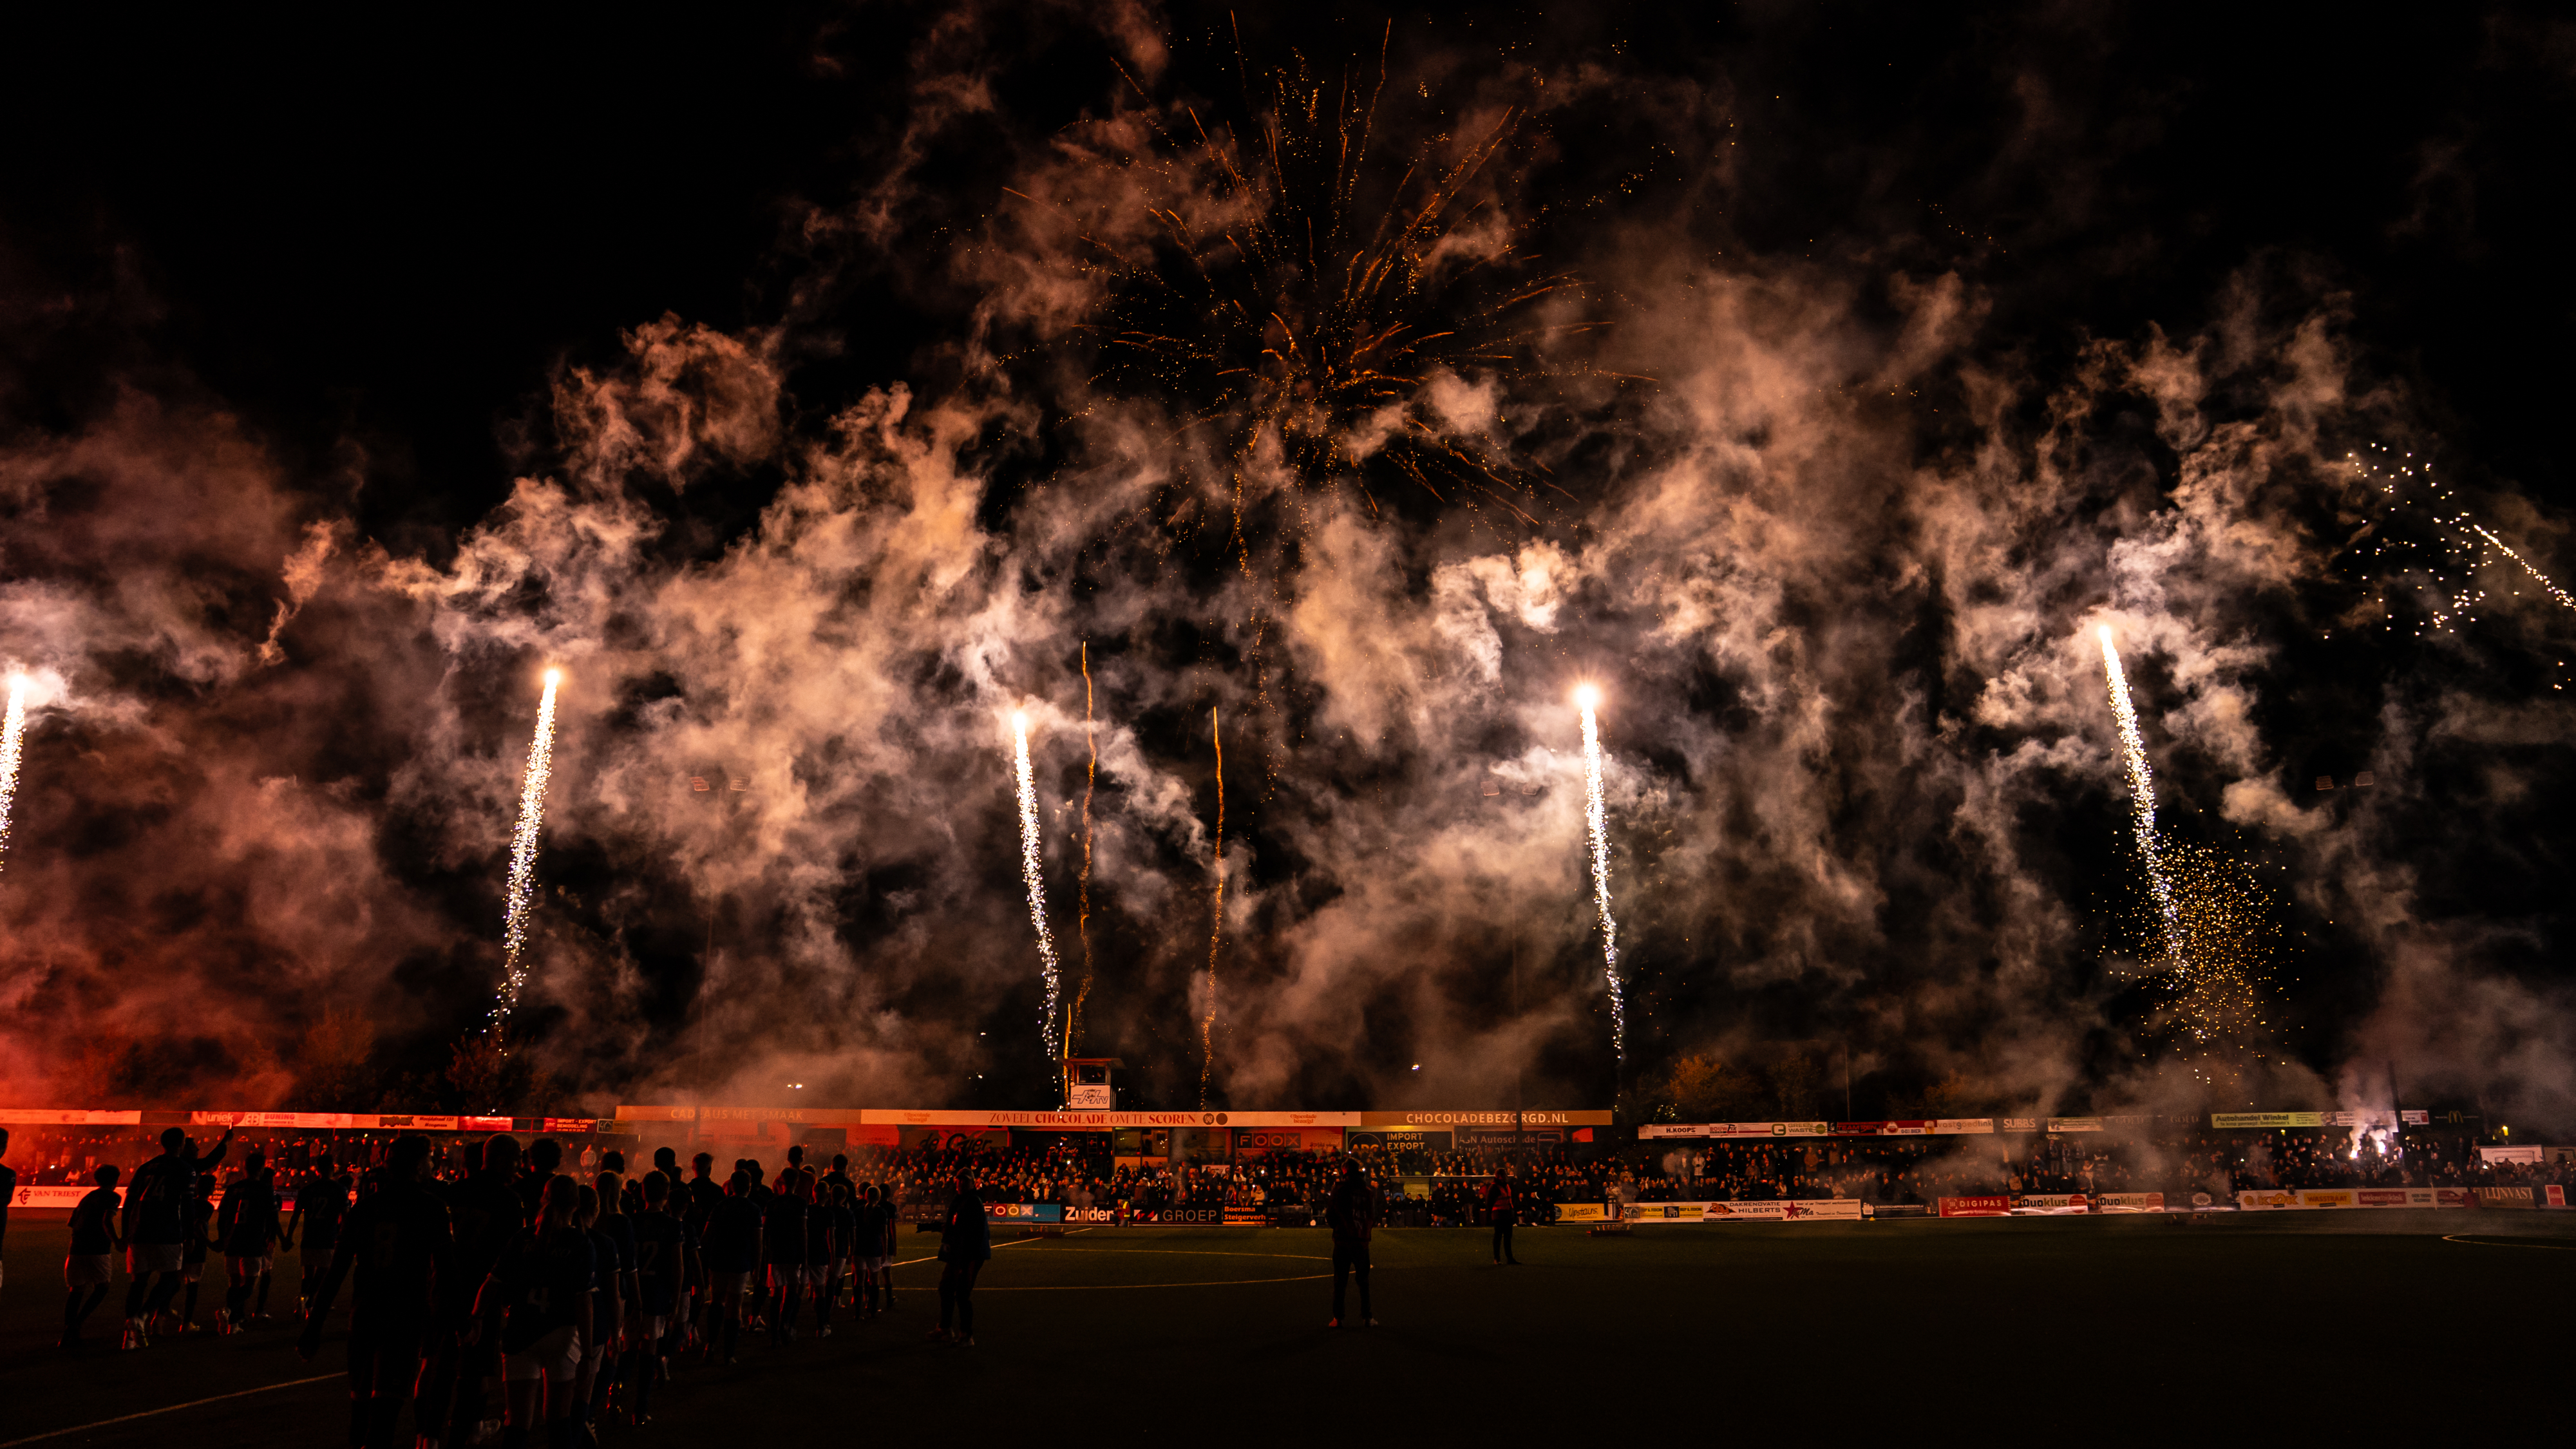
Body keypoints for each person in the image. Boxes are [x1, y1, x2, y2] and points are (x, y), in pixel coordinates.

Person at [298, 1133, 455, 1449]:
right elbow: (446, 1271)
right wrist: (452, 1319)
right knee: (383, 1418)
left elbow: (337, 1270)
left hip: (364, 1316)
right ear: (417, 1165)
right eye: (428, 1158)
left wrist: (314, 1326)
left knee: (360, 1415)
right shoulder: (432, 1207)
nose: (432, 1163)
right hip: (403, 1317)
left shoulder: (366, 1207)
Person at [419, 1133, 527, 1449]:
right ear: (503, 1160)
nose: (520, 1166)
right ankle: (455, 1440)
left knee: (442, 1368)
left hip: (443, 1289)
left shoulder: (453, 1192)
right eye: (517, 1159)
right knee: (470, 1374)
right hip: (482, 1294)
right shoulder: (507, 1200)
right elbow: (512, 1256)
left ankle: (430, 1438)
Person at [478, 1174, 592, 1449]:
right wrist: (588, 1352)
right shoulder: (579, 1242)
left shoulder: (523, 1237)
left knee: (517, 1423)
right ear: (576, 1204)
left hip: (520, 1331)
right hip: (561, 1332)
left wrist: (476, 1317)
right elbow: (583, 1301)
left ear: (544, 1199)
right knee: (557, 1419)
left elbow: (492, 1283)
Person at [119, 1124, 236, 1347]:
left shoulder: (146, 1167)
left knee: (138, 1283)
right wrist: (190, 1235)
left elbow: (130, 1202)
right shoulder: (185, 1169)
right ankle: (142, 1316)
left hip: (139, 1231)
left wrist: (126, 1232)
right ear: (181, 1145)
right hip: (167, 1231)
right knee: (171, 1279)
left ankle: (129, 1338)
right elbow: (187, 1204)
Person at [627, 1171, 697, 1426]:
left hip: (632, 1294)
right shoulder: (672, 1225)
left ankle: (614, 1394)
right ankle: (640, 1409)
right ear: (667, 1196)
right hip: (656, 1295)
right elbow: (678, 1267)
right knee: (649, 1349)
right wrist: (676, 1300)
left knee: (627, 1348)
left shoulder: (630, 1222)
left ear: (642, 1192)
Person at [218, 1149, 283, 1331]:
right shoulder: (265, 1189)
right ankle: (228, 1311)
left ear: (244, 1168)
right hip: (252, 1241)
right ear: (261, 1169)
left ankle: (234, 1323)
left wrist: (222, 1237)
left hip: (232, 1241)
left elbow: (222, 1216)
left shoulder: (232, 1188)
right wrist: (273, 1237)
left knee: (234, 1283)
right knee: (249, 1285)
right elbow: (273, 1217)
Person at [701, 1171, 762, 1365]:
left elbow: (707, 1236)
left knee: (716, 1301)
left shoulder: (721, 1206)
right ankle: (729, 1354)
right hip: (740, 1262)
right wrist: (757, 1268)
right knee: (734, 1307)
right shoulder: (753, 1209)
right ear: (749, 1187)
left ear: (731, 1186)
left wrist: (703, 1260)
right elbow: (757, 1243)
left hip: (719, 1260)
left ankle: (710, 1345)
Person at [62, 1164, 122, 1347]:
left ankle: (69, 1329)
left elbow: (71, 1222)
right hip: (98, 1248)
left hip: (76, 1247)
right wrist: (117, 1241)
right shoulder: (113, 1197)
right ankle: (76, 1324)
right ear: (116, 1179)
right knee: (102, 1286)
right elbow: (106, 1220)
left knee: (77, 1290)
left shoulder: (88, 1197)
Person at [288, 1155, 355, 1320]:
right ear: (332, 1168)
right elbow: (346, 1215)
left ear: (318, 1170)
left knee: (308, 1273)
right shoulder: (339, 1189)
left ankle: (304, 1308)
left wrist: (289, 1236)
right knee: (324, 1272)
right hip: (327, 1236)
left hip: (308, 1235)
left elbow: (296, 1215)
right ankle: (305, 1299)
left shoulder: (308, 1189)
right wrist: (346, 1236)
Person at [933, 1170, 989, 1347]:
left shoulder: (973, 1201)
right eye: (958, 1180)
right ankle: (945, 1328)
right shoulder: (960, 1200)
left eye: (964, 1181)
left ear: (973, 1183)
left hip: (969, 1255)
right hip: (958, 1252)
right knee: (946, 1287)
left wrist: (965, 1261)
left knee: (962, 1293)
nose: (960, 1183)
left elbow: (974, 1233)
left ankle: (966, 1335)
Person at [1325, 1159, 1378, 1329]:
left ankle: (1338, 1318)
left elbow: (1331, 1215)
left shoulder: (1339, 1189)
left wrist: (1339, 1228)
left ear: (1345, 1171)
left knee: (1340, 1281)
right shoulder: (1367, 1191)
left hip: (1343, 1240)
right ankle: (1367, 1318)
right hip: (1361, 1241)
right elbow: (1372, 1216)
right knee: (1363, 1281)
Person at [761, 1168, 810, 1347]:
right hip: (793, 1251)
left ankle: (774, 1334)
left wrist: (764, 1254)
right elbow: (802, 1231)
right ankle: (785, 1324)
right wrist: (805, 1257)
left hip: (775, 1252)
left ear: (782, 1182)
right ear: (797, 1182)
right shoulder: (800, 1203)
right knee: (792, 1290)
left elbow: (765, 1231)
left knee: (776, 1293)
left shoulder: (772, 1203)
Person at [1485, 1165, 1522, 1266]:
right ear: (1500, 1176)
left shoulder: (1505, 1186)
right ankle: (1497, 1259)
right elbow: (1489, 1203)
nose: (1506, 1176)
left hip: (1507, 1214)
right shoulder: (1494, 1187)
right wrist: (1491, 1215)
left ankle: (1509, 1258)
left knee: (1507, 1237)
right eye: (1505, 1175)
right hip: (1499, 1215)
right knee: (1498, 1237)